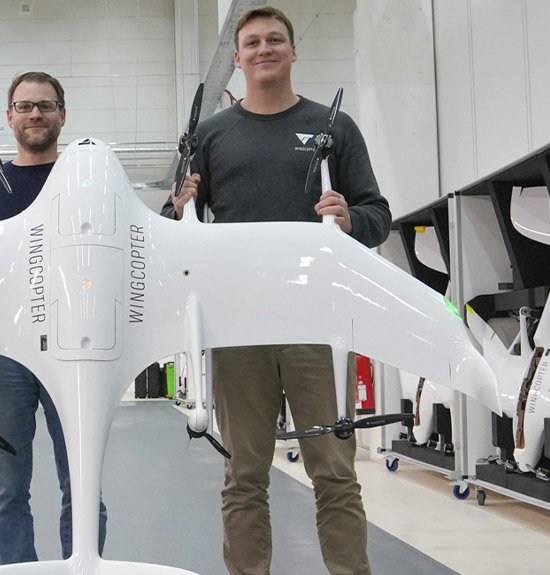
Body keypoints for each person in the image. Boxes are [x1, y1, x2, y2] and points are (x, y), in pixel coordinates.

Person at [161, 6, 390, 575]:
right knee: (244, 477)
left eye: (275, 40)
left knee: (334, 473)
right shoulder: (211, 136)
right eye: (253, 42)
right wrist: (178, 207)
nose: (264, 49)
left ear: (292, 51)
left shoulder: (334, 128)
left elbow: (377, 214)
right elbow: (175, 232)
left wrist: (349, 220)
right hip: (238, 326)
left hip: (314, 323)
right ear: (236, 58)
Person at [0, 71, 107, 564]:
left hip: (75, 349)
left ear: (63, 113)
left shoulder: (88, 186)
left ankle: (81, 569)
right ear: (8, 116)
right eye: (24, 106)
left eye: (45, 105)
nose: (34, 114)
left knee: (83, 488)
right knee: (6, 491)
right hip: (2, 353)